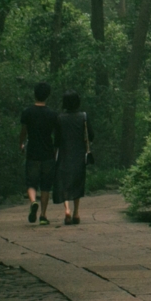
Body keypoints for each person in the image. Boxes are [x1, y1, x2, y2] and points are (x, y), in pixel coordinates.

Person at [17, 82, 58, 224]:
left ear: (35, 94)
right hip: (48, 153)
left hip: (33, 153)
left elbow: (23, 132)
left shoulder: (27, 112)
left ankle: (33, 201)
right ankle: (43, 215)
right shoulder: (53, 114)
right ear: (47, 95)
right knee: (46, 186)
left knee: (31, 183)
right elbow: (56, 136)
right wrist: (56, 150)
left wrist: (21, 144)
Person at [53, 92, 92, 226]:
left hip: (64, 154)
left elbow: (56, 140)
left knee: (64, 182)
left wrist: (54, 155)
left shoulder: (60, 118)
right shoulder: (83, 117)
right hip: (79, 154)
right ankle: (76, 212)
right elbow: (91, 135)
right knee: (77, 182)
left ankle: (67, 211)